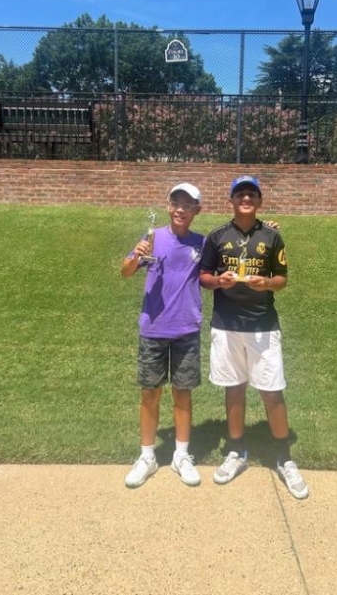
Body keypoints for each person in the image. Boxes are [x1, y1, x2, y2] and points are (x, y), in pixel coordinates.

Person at [199, 175, 309, 499]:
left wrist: (267, 283)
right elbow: (204, 276)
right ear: (231, 201)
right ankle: (237, 451)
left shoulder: (271, 236)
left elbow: (282, 279)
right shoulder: (217, 236)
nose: (246, 198)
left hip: (263, 326)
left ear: (259, 201)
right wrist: (219, 282)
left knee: (272, 392)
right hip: (226, 325)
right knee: (234, 389)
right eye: (240, 194)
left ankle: (284, 458)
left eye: (251, 194)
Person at [121, 183, 204, 488]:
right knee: (149, 393)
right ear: (169, 206)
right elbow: (125, 271)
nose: (181, 209)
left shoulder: (202, 243)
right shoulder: (152, 238)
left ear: (197, 210)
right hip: (153, 329)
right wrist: (136, 256)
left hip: (186, 328)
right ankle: (147, 457)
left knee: (183, 392)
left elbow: (229, 254)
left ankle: (181, 455)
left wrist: (267, 228)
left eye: (188, 205)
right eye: (176, 203)